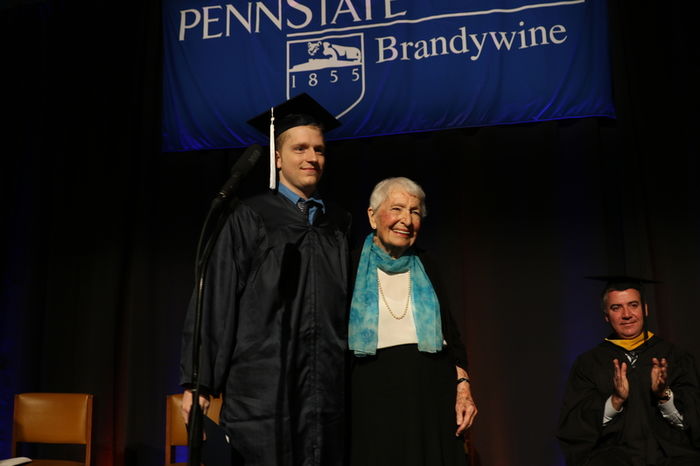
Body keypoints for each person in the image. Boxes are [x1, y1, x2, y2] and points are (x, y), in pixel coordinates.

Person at [179, 94, 351, 466]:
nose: (312, 158)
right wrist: (199, 382)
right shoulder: (250, 217)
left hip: (325, 388)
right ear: (276, 157)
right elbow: (217, 297)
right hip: (262, 389)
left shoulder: (339, 223)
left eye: (319, 150)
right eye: (300, 148)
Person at [348, 177, 477, 466]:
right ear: (372, 216)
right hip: (371, 400)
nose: (406, 220)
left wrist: (463, 388)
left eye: (415, 212)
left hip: (431, 399)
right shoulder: (347, 267)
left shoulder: (428, 265)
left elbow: (451, 338)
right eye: (397, 209)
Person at [557, 276, 700, 466]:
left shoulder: (675, 357)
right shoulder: (588, 364)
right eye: (616, 308)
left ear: (645, 309)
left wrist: (664, 395)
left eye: (633, 305)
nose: (627, 314)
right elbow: (574, 429)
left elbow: (694, 424)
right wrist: (615, 401)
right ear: (606, 315)